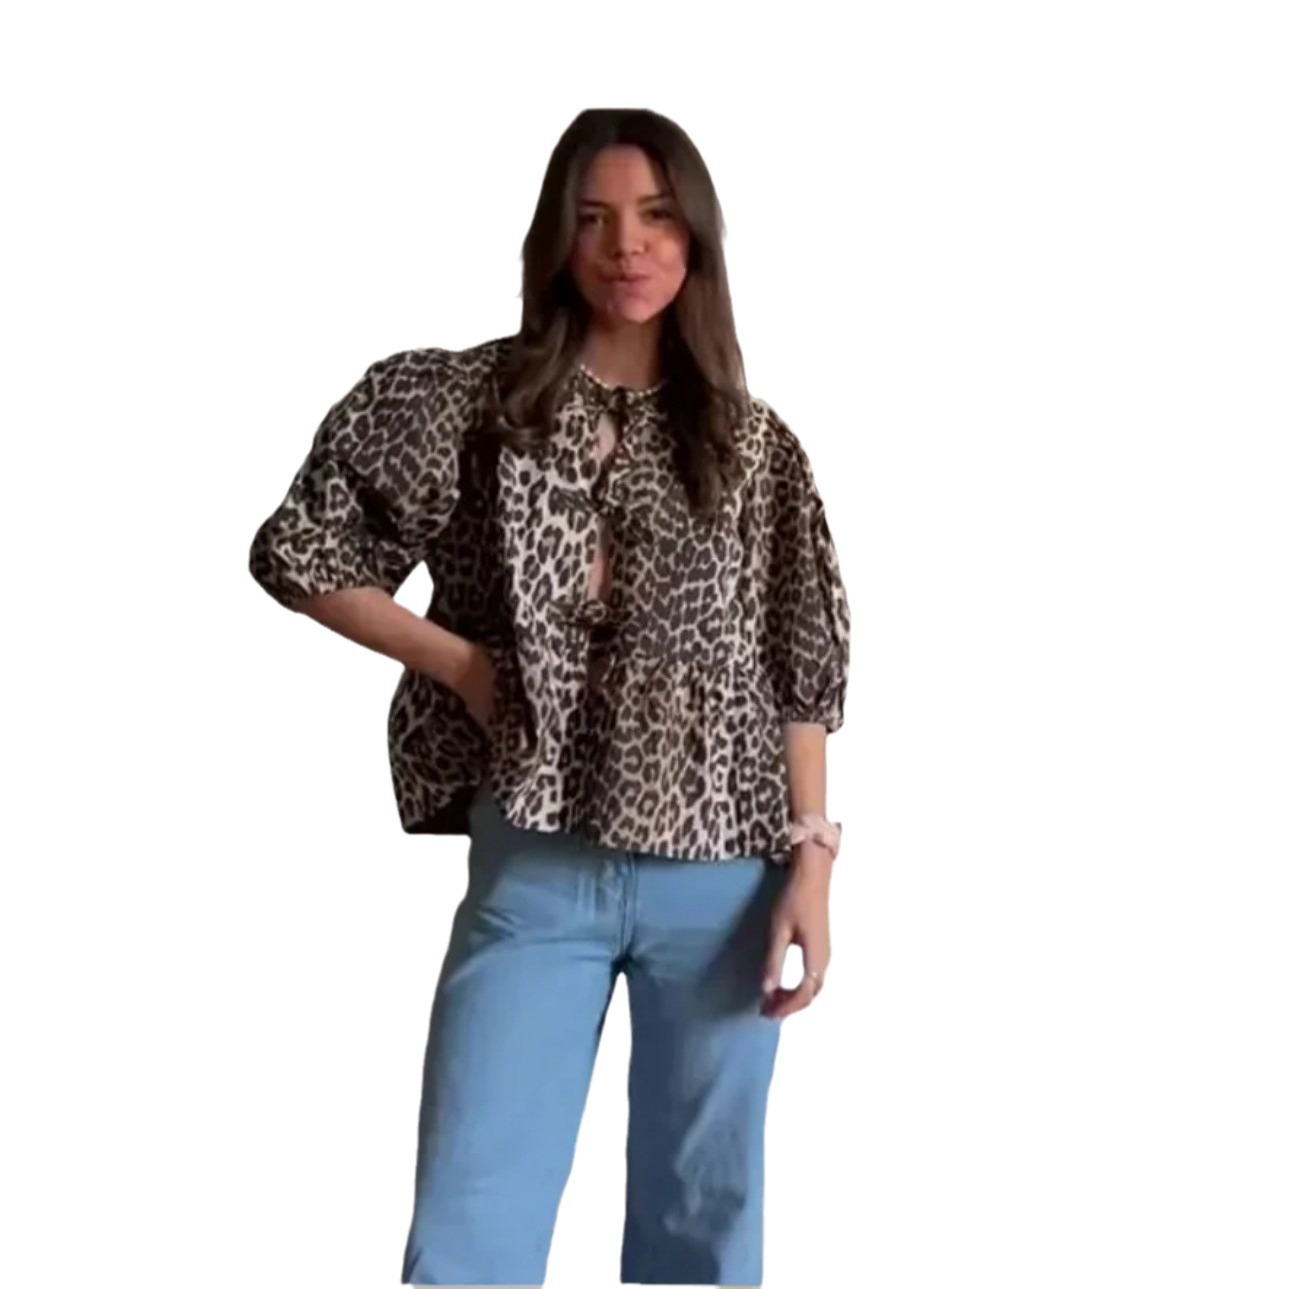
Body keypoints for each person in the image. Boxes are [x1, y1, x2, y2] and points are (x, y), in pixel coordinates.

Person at [248, 107, 850, 1287]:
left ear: (695, 237)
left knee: (700, 1230)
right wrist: (463, 664)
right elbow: (301, 550)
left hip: (724, 878)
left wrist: (812, 863)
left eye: (655, 216)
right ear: (556, 240)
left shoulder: (752, 446)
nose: (626, 246)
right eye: (593, 219)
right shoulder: (474, 404)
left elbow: (800, 665)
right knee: (470, 1220)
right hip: (537, 866)